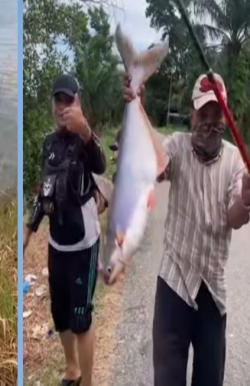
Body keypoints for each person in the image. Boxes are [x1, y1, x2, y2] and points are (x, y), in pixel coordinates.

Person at [122, 72, 250, 386]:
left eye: (216, 114)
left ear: (226, 117)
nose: (209, 121)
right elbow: (157, 165)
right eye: (202, 113)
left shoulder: (235, 161)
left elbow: (234, 217)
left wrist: (246, 197)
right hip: (174, 284)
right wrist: (138, 107)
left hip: (212, 292)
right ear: (192, 115)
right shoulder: (177, 147)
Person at [24, 74, 106, 386]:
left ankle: (88, 382)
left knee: (81, 318)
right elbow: (44, 191)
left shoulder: (85, 141)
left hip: (84, 243)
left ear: (78, 103)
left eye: (68, 101)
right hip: (57, 242)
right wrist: (30, 229)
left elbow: (100, 166)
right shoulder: (48, 143)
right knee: (60, 314)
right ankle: (72, 369)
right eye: (58, 101)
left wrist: (85, 131)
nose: (62, 108)